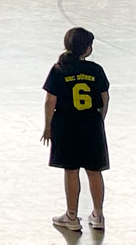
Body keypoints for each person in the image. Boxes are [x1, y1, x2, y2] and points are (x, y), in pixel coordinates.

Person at [42, 27, 110, 232]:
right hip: (91, 124)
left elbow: (50, 101)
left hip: (66, 125)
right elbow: (105, 99)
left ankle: (71, 216)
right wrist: (99, 120)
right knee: (94, 171)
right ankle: (98, 215)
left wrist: (48, 126)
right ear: (87, 49)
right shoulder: (96, 70)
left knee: (71, 171)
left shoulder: (59, 69)